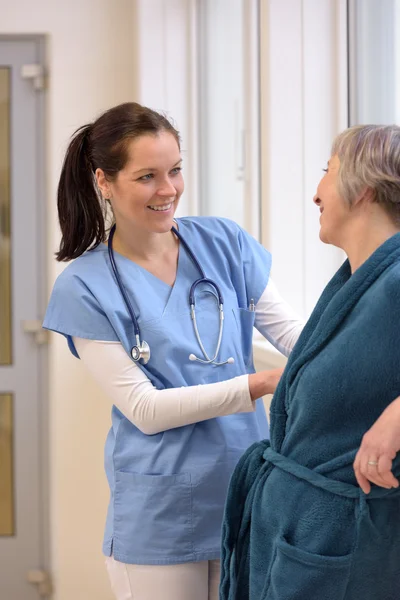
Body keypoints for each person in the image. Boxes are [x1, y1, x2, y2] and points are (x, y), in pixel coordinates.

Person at [42, 102, 304, 600]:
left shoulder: (222, 242)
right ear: (104, 181)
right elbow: (145, 409)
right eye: (147, 176)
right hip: (161, 511)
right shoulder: (85, 286)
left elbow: (293, 334)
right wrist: (263, 383)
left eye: (176, 170)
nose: (168, 190)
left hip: (245, 489)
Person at [220, 124, 400, 600]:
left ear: (362, 189)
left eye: (327, 171)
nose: (316, 192)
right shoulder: (356, 280)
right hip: (305, 533)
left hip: (342, 543)